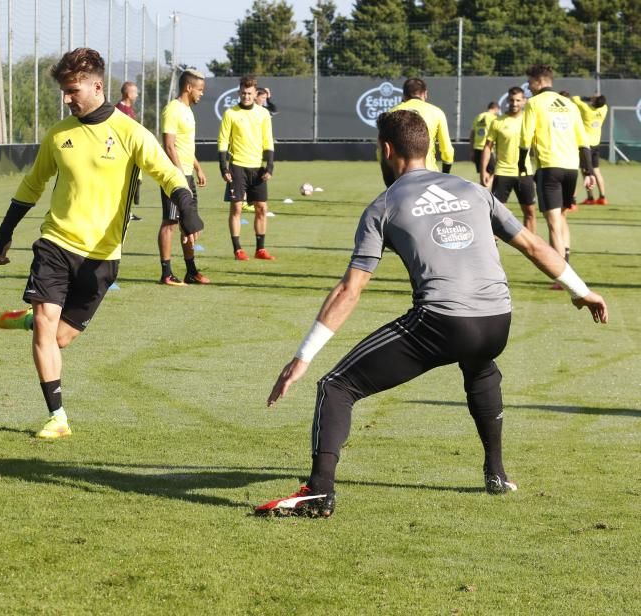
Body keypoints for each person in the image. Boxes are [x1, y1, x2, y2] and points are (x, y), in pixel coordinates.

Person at [255, 110, 608, 518]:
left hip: (443, 321)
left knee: (337, 386)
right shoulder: (473, 190)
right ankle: (496, 473)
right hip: (498, 320)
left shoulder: (384, 205)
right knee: (480, 368)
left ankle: (318, 491)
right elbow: (532, 245)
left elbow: (351, 289)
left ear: (386, 150)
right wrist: (581, 292)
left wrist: (302, 356)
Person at [0, 48, 202, 439]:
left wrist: (189, 212)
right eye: (64, 92)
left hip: (102, 256)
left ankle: (28, 320)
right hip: (55, 242)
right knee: (45, 328)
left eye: (73, 90)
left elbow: (169, 174)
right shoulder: (59, 134)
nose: (67, 99)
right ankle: (57, 417)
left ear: (97, 85)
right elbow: (31, 186)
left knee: (60, 338)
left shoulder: (130, 133)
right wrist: (5, 234)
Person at [519, 64, 595, 278]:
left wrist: (521, 165)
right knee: (561, 218)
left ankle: (563, 276)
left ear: (538, 81)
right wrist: (588, 172)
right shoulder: (570, 105)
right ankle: (567, 265)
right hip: (571, 168)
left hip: (550, 167)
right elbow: (583, 141)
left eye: (530, 83)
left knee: (553, 223)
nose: (529, 88)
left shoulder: (534, 103)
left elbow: (525, 138)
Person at [158, 70, 210, 286]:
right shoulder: (172, 109)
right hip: (174, 176)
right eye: (200, 90)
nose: (201, 94)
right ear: (189, 87)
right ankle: (166, 273)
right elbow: (169, 145)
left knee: (188, 225)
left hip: (186, 174)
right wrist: (179, 174)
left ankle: (191, 271)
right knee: (170, 222)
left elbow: (185, 146)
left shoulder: (187, 110)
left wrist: (197, 168)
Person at [218, 75, 276, 261]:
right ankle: (238, 249)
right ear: (239, 92)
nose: (246, 96)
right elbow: (223, 141)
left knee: (261, 208)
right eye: (243, 93)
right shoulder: (230, 114)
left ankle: (260, 249)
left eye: (250, 93)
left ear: (255, 93)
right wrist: (223, 167)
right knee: (236, 208)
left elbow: (268, 140)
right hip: (237, 167)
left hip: (257, 167)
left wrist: (270, 166)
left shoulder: (263, 114)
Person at [482, 88, 538, 234]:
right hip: (502, 173)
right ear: (507, 101)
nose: (514, 103)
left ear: (524, 101)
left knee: (530, 213)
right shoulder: (497, 122)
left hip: (524, 173)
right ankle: (493, 249)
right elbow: (488, 147)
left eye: (518, 100)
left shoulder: (529, 120)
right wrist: (484, 171)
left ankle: (531, 248)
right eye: (512, 100)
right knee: (496, 215)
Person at [389, 78, 454, 172]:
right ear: (425, 93)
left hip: (401, 175)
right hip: (429, 172)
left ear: (404, 95)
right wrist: (445, 174)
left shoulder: (393, 112)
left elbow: (383, 149)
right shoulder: (437, 112)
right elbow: (447, 151)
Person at [571, 94, 609, 205]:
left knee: (585, 172)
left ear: (594, 101)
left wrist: (587, 98)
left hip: (585, 145)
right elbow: (601, 103)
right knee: (596, 171)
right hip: (596, 143)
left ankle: (590, 197)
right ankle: (602, 197)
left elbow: (575, 98)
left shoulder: (586, 109)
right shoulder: (604, 109)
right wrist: (594, 99)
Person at [115, 81, 143, 221]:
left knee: (134, 183)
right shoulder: (118, 110)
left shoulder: (130, 110)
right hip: (120, 154)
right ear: (128, 93)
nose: (137, 95)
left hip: (131, 153)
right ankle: (121, 212)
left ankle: (127, 211)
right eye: (135, 92)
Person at [470, 101, 499, 178]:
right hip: (488, 149)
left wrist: (472, 150)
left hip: (477, 148)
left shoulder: (478, 117)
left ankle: (483, 189)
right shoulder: (494, 118)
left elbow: (472, 134)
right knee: (492, 173)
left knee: (483, 174)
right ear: (496, 109)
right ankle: (487, 189)